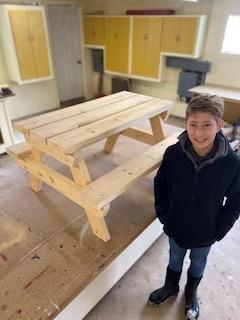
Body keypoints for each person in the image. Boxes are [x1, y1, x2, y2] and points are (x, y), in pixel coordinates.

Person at [148, 94, 240, 320]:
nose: (199, 133)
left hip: (206, 231)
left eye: (207, 125)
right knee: (175, 258)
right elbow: (160, 184)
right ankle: (171, 286)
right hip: (176, 226)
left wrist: (220, 229)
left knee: (198, 262)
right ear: (185, 123)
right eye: (193, 125)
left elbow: (236, 199)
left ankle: (191, 293)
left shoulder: (231, 163)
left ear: (220, 124)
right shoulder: (172, 155)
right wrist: (163, 214)